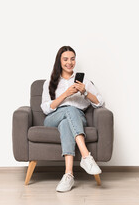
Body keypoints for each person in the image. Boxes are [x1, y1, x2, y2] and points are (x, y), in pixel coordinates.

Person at [41, 46, 105, 192]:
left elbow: (100, 102)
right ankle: (86, 156)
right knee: (68, 110)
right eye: (65, 59)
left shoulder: (85, 82)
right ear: (59, 61)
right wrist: (65, 94)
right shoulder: (50, 82)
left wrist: (85, 92)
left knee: (66, 123)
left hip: (77, 117)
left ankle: (68, 175)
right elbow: (45, 109)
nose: (69, 62)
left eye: (72, 59)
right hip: (52, 118)